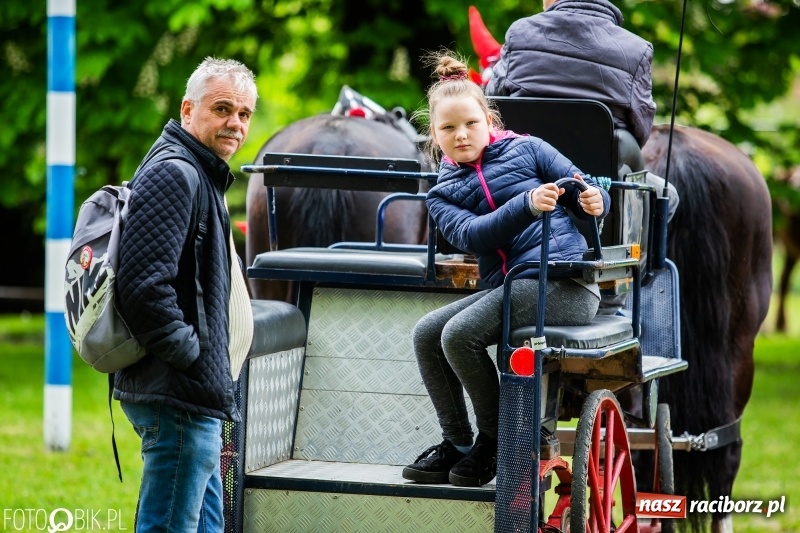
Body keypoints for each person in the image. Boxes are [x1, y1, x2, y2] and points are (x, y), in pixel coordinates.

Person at [401, 52, 610, 487]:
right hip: (514, 285)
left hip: (564, 284)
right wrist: (527, 204)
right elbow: (475, 235)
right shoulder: (441, 193)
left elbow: (579, 185)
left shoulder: (530, 149)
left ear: (488, 119)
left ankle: (496, 441)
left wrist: (596, 201)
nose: (461, 135)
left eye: (470, 124)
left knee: (458, 335)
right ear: (434, 135)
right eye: (448, 128)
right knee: (427, 333)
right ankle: (457, 443)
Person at [115, 57, 257, 532]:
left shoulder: (202, 173)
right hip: (179, 396)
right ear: (188, 109)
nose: (235, 123)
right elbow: (142, 289)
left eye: (244, 113)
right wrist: (192, 358)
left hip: (196, 396)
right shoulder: (175, 173)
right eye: (222, 109)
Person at [482, 0, 679, 314]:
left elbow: (494, 103)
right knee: (668, 195)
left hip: (522, 178)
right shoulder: (636, 49)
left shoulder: (519, 32)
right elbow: (640, 129)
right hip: (594, 185)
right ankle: (624, 291)